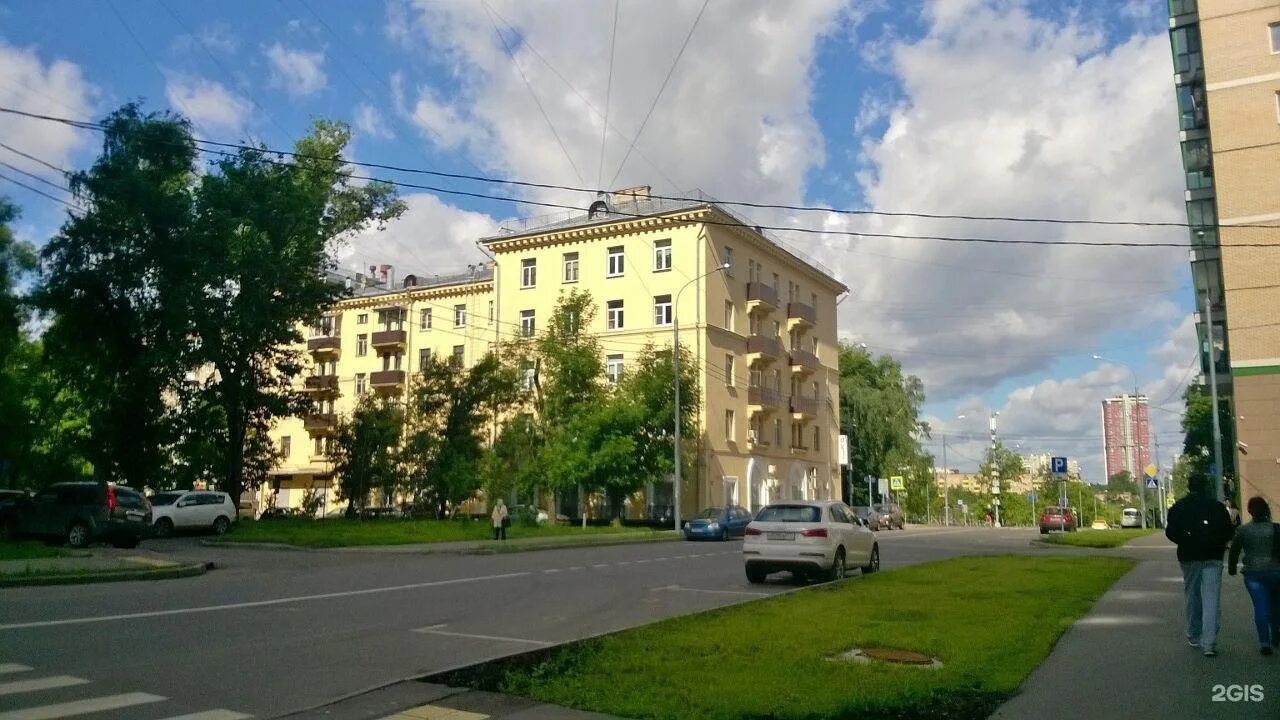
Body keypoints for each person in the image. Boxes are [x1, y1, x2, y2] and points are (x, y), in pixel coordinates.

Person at [1165, 474, 1235, 657]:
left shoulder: (1179, 507)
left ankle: (1194, 634)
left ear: (1189, 487)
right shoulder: (1217, 507)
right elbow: (1228, 530)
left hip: (1189, 557)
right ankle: (1209, 643)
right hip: (1213, 556)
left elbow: (1170, 532)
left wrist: (1185, 541)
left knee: (1192, 594)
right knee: (1211, 598)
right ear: (1206, 486)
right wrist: (1217, 543)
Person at [1228, 496, 1280, 655]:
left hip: (1253, 574)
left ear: (1250, 511)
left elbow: (1234, 550)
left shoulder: (1243, 530)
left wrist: (1232, 568)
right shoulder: (1276, 528)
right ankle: (1276, 635)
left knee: (1261, 607)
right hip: (1276, 572)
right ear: (1266, 510)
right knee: (1276, 605)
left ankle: (1265, 642)